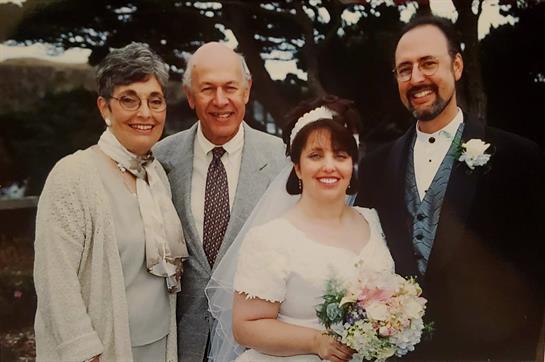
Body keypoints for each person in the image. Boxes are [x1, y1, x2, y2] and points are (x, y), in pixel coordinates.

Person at [356, 15, 545, 360]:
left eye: (428, 64)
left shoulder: (517, 157)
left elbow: (534, 271)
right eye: (404, 69)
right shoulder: (374, 166)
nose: (417, 79)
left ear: (456, 66)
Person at [206, 95, 396, 362]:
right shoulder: (270, 238)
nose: (329, 166)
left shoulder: (371, 220)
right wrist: (316, 342)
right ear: (297, 167)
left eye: (340, 155)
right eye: (316, 155)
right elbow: (246, 326)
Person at [33, 43, 188, 362]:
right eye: (129, 99)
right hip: (104, 351)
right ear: (105, 108)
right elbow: (55, 282)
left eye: (154, 101)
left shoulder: (156, 174)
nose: (145, 113)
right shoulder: (74, 176)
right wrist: (86, 353)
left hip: (159, 348)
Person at [153, 42, 286, 362]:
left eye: (230, 87)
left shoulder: (282, 159)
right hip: (181, 345)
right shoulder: (160, 160)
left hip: (256, 349)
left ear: (247, 90)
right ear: (189, 95)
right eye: (207, 89)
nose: (220, 100)